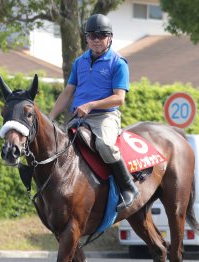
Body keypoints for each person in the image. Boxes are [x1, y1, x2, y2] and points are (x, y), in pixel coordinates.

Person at [49, 14, 139, 212]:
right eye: (92, 36)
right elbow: (67, 93)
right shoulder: (79, 62)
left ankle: (128, 187)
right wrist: (50, 117)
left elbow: (119, 98)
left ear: (110, 38)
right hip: (80, 118)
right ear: (86, 38)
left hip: (105, 116)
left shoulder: (118, 63)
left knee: (104, 145)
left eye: (101, 35)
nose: (96, 40)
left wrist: (90, 105)